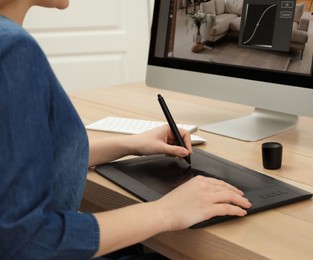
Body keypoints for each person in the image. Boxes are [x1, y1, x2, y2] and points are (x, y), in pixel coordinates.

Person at [0, 0, 252, 258]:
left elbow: (16, 163)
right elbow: (25, 241)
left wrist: (130, 144)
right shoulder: (11, 49)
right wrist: (167, 211)